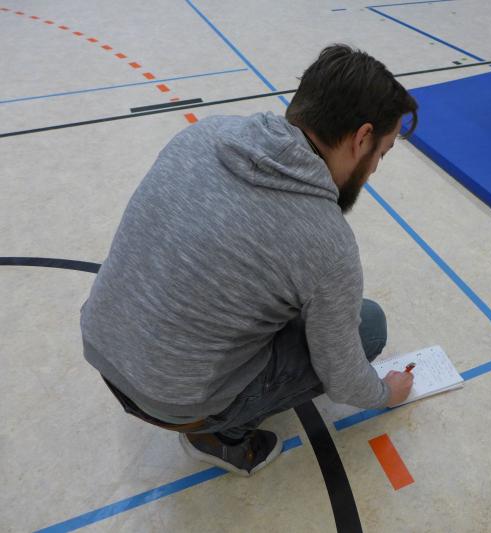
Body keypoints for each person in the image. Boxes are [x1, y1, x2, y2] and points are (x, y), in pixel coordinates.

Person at [79, 44, 418, 477]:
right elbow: (344, 377)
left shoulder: (204, 133)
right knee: (368, 326)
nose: (373, 171)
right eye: (380, 154)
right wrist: (386, 393)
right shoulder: (327, 242)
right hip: (173, 402)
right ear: (362, 138)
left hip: (102, 345)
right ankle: (221, 437)